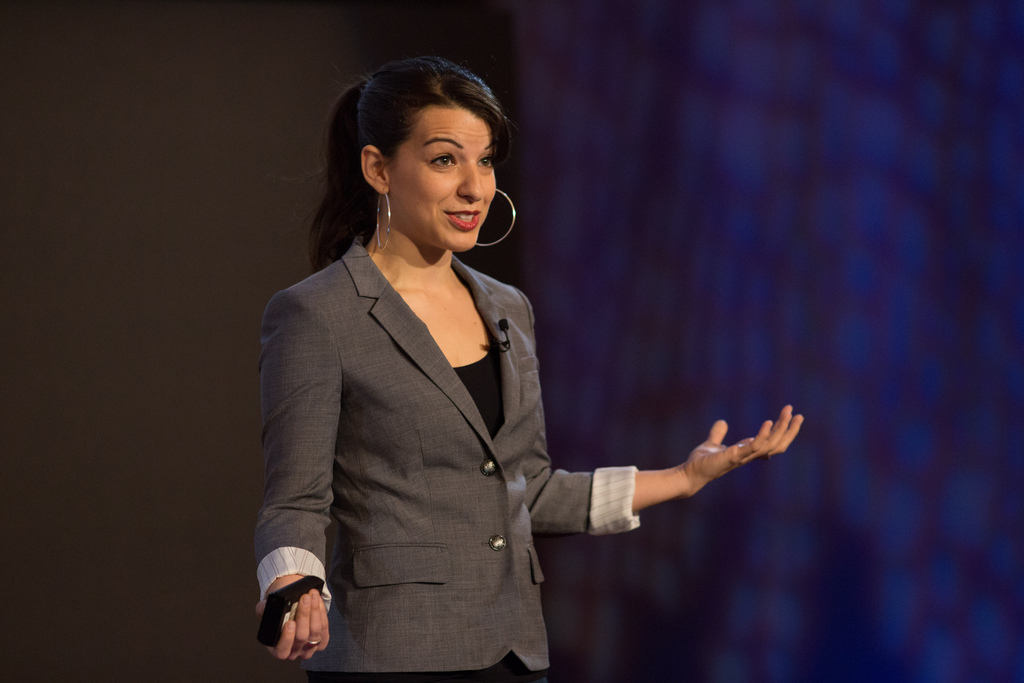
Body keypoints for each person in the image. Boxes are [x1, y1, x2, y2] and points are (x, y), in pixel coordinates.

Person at [254, 56, 803, 682]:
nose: (474, 188)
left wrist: (683, 477)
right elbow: (293, 500)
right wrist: (293, 582)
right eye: (444, 160)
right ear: (379, 167)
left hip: (513, 653)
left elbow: (527, 489)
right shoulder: (316, 313)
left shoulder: (506, 308)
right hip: (394, 656)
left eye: (485, 160)